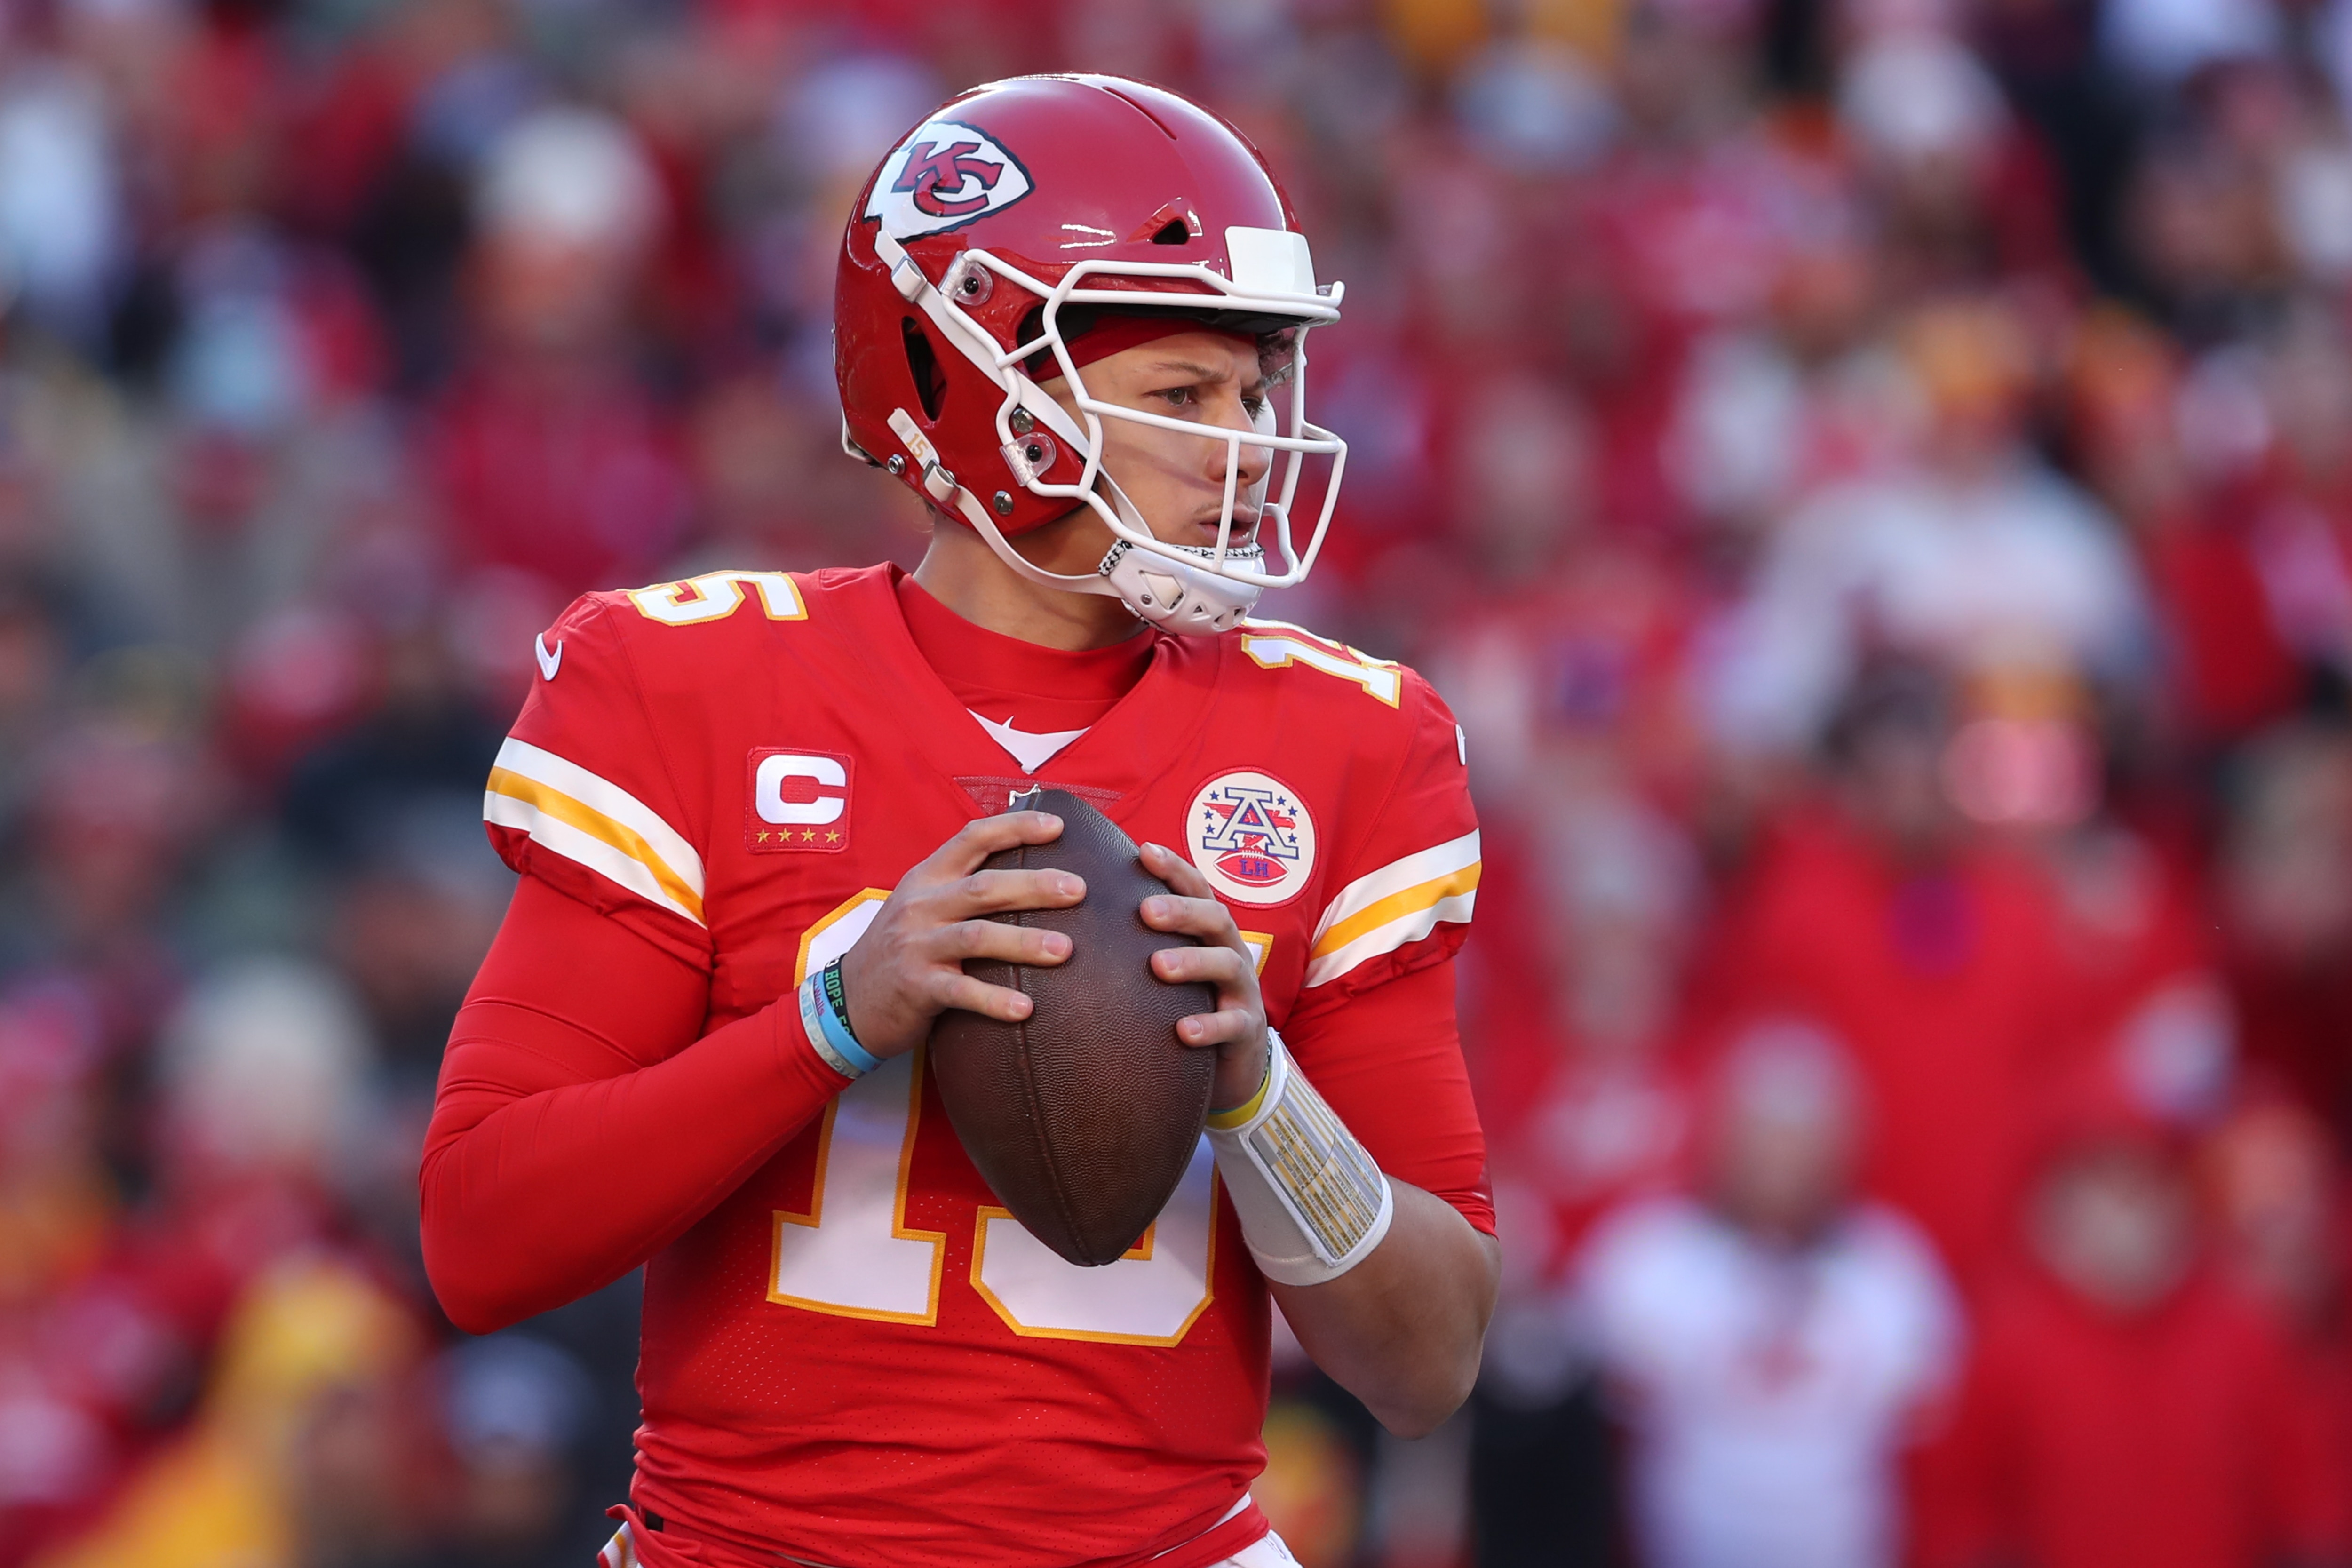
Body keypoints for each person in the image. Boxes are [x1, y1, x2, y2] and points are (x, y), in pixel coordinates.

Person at [417, 75, 1499, 1568]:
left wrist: (1258, 1087)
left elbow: (1427, 1362)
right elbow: (482, 1238)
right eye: (1182, 395)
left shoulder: (1348, 742)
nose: (1242, 446)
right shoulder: (693, 683)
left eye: (1253, 393)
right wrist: (837, 1015)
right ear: (975, 374)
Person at [1574, 1020, 1960, 1568]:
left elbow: (1924, 1429)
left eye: (1801, 1140)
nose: (1779, 1164)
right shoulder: (1644, 1257)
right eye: (1762, 1136)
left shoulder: (1892, 1270)